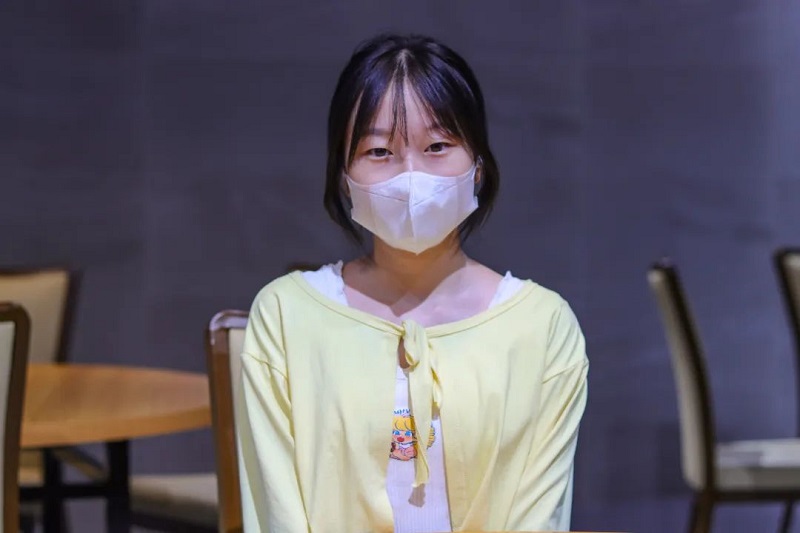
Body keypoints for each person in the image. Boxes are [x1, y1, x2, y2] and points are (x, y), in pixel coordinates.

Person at [235, 33, 589, 533]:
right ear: (343, 175)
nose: (411, 175)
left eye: (437, 146)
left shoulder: (543, 327)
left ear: (478, 167)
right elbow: (278, 512)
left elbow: (538, 517)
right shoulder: (285, 316)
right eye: (379, 151)